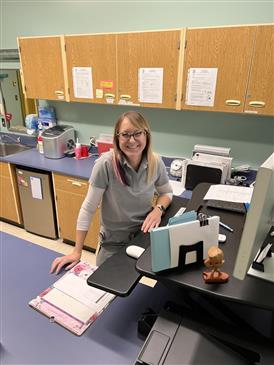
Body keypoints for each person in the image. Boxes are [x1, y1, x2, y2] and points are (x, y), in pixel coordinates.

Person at [50, 111, 173, 274]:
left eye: (138, 133)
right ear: (117, 137)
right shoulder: (105, 164)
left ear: (146, 135)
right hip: (113, 244)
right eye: (125, 134)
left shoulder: (155, 162)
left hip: (143, 238)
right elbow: (88, 209)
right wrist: (76, 251)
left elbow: (167, 193)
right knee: (108, 287)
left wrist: (158, 210)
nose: (132, 140)